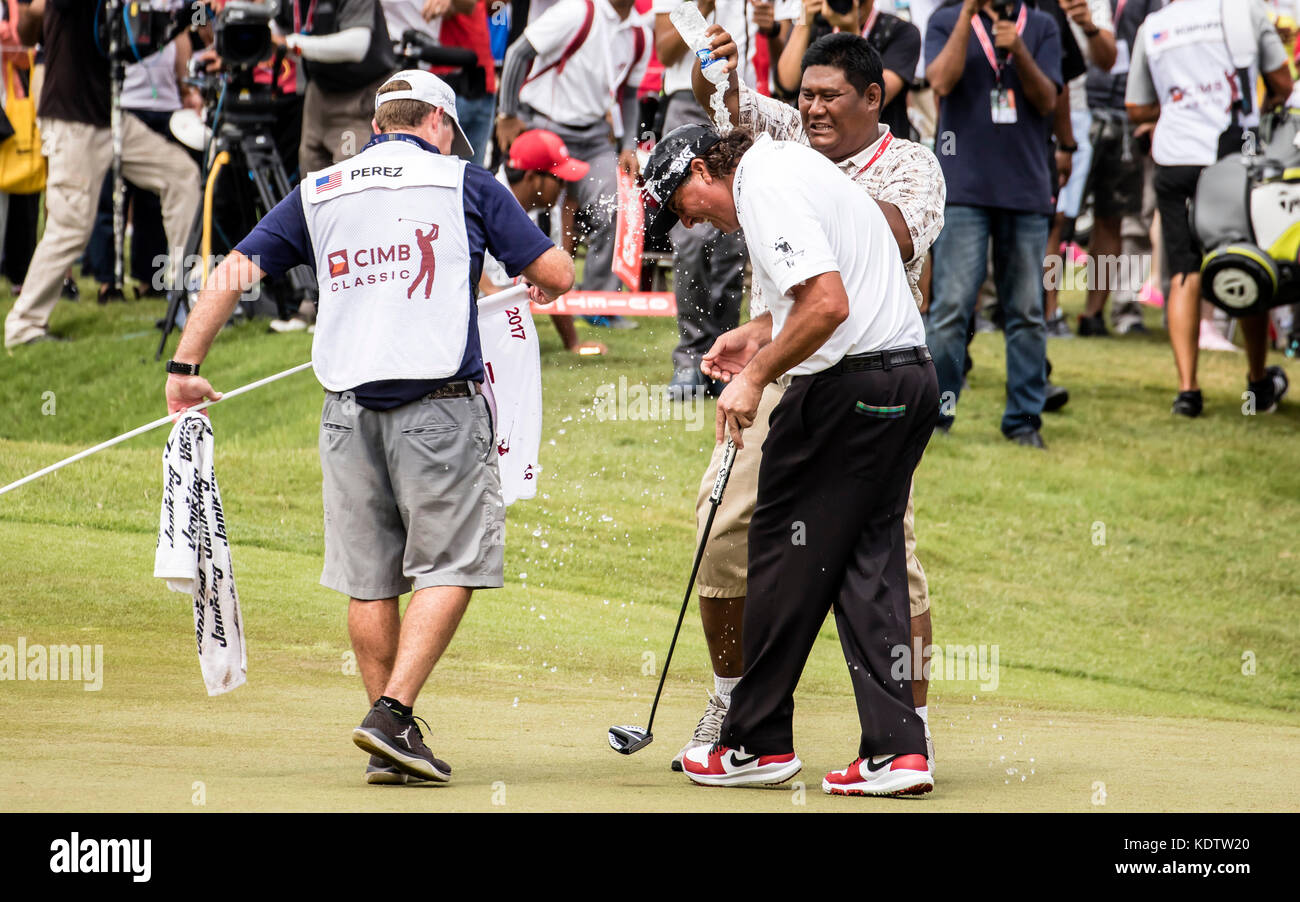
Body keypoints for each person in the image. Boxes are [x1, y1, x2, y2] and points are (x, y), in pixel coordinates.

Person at [163, 70, 575, 784]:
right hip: (439, 407)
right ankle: (391, 712)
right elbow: (559, 275)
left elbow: (234, 269)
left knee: (370, 580)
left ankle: (395, 737)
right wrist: (538, 263)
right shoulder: (465, 183)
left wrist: (184, 363)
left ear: (379, 125)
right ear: (441, 124)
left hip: (345, 413)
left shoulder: (322, 187)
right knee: (455, 562)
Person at [669, 27, 945, 775]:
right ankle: (738, 705)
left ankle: (901, 725)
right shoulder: (784, 142)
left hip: (856, 368)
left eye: (829, 96)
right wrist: (713, 65)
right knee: (725, 532)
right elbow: (722, 113)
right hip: (796, 362)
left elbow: (867, 255)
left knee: (888, 558)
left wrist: (808, 192)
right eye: (805, 95)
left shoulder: (911, 167)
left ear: (873, 97)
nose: (812, 109)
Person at [1126, 0, 1292, 416]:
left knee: (1184, 269)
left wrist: (1180, 104)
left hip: (1176, 156)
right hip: (1235, 159)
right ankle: (1256, 383)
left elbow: (1137, 107)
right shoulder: (1247, 11)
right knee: (1246, 261)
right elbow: (1283, 83)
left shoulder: (1156, 24)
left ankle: (1188, 391)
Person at [2, 0, 201, 348]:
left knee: (181, 175)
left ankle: (183, 297)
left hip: (109, 116)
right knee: (71, 225)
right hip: (72, 120)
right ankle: (24, 327)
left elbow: (138, 41)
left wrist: (189, 11)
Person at [925, 0, 1063, 448]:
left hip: (1025, 189)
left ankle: (1024, 421)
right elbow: (940, 81)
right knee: (951, 309)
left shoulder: (1041, 25)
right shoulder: (946, 19)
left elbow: (1047, 100)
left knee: (1025, 311)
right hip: (963, 187)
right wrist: (967, 15)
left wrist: (1019, 48)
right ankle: (935, 414)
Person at [496, 0, 650, 311]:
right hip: (545, 124)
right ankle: (506, 295)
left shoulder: (640, 33)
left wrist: (628, 146)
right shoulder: (577, 11)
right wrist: (507, 114)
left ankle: (598, 307)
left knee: (617, 205)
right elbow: (517, 54)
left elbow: (630, 94)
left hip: (593, 137)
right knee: (528, 206)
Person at [654, 0, 756, 398]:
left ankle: (724, 357)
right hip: (686, 98)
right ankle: (690, 358)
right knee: (692, 237)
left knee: (733, 239)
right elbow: (664, 51)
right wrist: (698, 8)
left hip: (745, 96)